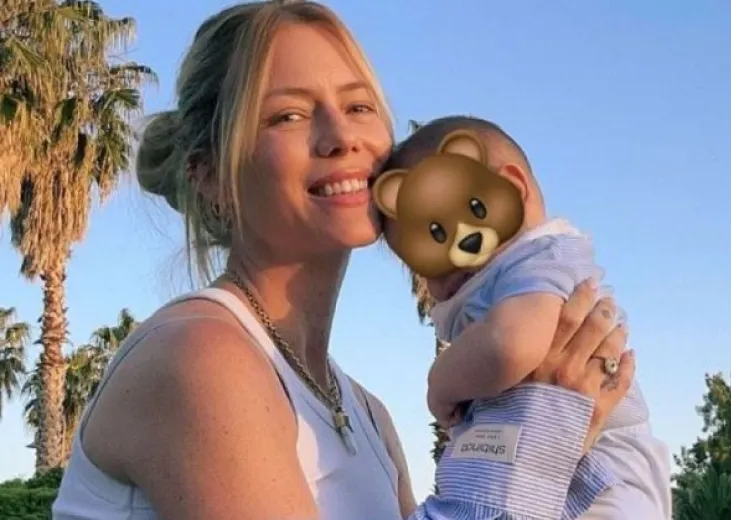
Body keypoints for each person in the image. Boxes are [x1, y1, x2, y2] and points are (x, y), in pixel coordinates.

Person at [50, 2, 640, 519]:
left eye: (359, 106)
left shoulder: (368, 416)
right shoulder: (201, 356)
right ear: (209, 176)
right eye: (288, 115)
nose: (341, 136)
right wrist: (538, 428)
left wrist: (557, 440)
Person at [375, 116, 673, 519]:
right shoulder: (507, 272)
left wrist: (440, 385)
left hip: (603, 472)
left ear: (513, 189)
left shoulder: (538, 258)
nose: (443, 270)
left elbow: (513, 345)